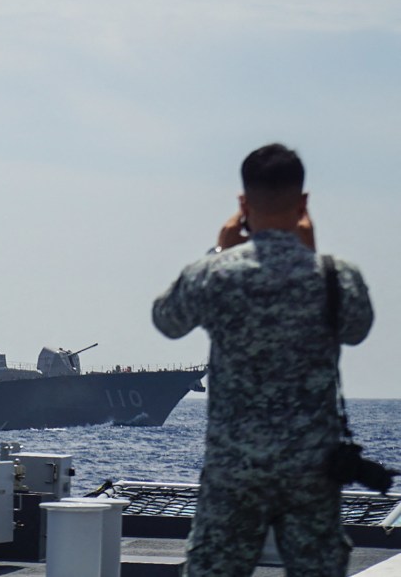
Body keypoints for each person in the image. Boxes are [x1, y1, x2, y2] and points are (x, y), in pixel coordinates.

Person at [152, 143, 374, 576]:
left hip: (234, 470)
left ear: (243, 202)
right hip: (311, 470)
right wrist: (311, 256)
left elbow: (168, 320)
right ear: (304, 202)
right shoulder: (335, 275)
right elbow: (357, 329)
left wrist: (219, 250)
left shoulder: (216, 274)